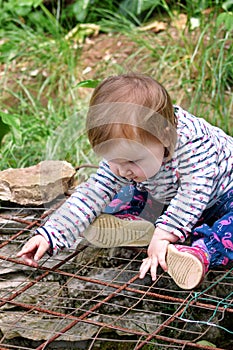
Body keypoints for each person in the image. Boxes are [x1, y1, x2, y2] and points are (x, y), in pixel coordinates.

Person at [17, 73, 233, 290]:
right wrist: (50, 234)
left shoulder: (193, 144)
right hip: (166, 192)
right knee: (121, 189)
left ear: (166, 138)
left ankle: (201, 251)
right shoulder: (130, 160)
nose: (121, 169)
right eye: (113, 160)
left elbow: (193, 194)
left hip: (222, 197)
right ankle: (136, 222)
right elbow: (94, 191)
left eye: (131, 160)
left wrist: (164, 234)